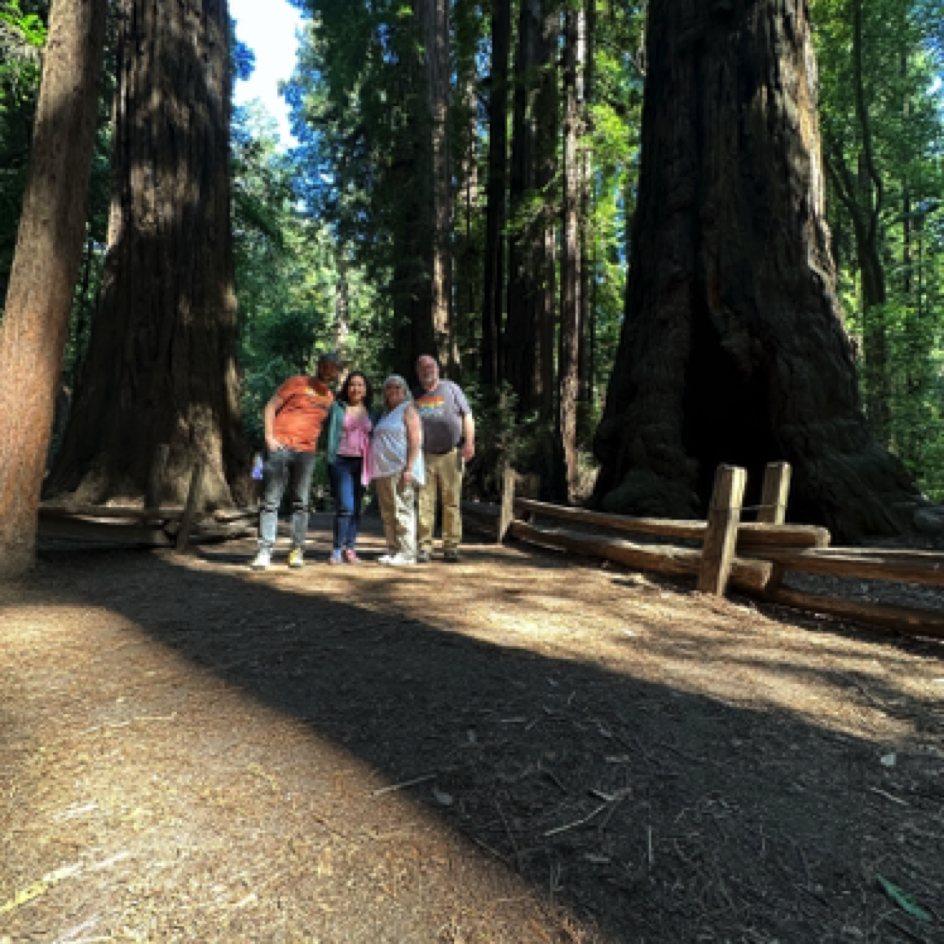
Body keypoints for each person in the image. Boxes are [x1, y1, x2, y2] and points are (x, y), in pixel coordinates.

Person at [250, 352, 341, 571]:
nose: (328, 370)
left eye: (333, 367)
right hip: (280, 446)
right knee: (271, 500)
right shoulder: (297, 382)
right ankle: (265, 551)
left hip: (306, 452)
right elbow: (271, 407)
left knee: (301, 503)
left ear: (336, 372)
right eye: (325, 365)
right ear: (318, 365)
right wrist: (269, 437)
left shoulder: (329, 397)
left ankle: (296, 550)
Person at [413, 354, 475, 563]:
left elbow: (467, 415)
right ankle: (424, 547)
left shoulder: (451, 388)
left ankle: (451, 546)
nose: (427, 370)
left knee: (451, 502)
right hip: (425, 455)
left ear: (437, 369)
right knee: (425, 502)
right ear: (418, 372)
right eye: (422, 368)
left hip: (451, 453)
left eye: (430, 366)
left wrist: (469, 443)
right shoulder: (414, 395)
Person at [370, 375, 424, 566]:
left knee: (403, 510)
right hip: (383, 471)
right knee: (388, 512)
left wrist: (409, 467)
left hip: (401, 468)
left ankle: (407, 553)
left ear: (404, 390)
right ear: (384, 392)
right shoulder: (385, 414)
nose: (393, 391)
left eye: (397, 387)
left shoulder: (408, 409)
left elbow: (415, 439)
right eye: (389, 388)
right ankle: (393, 549)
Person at [325, 371, 376, 564]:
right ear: (346, 388)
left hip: (363, 463)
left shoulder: (373, 412)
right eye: (352, 385)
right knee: (345, 506)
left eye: (360, 385)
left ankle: (350, 548)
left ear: (366, 389)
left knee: (356, 508)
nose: (356, 388)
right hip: (341, 460)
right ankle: (337, 549)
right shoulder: (337, 408)